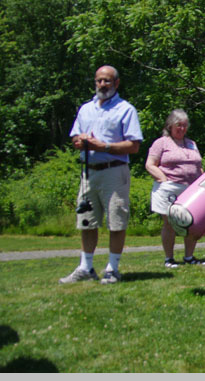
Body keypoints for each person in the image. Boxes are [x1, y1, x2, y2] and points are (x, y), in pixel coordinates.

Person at [60, 65, 142, 285]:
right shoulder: (86, 109)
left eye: (107, 81)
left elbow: (134, 145)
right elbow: (75, 137)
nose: (102, 85)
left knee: (116, 220)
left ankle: (112, 269)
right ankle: (86, 267)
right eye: (99, 81)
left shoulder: (126, 109)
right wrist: (79, 142)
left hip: (114, 171)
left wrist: (103, 146)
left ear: (116, 83)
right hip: (89, 173)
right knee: (87, 220)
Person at [144, 109, 205, 268]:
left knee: (192, 223)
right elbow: (150, 164)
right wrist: (163, 180)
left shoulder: (192, 144)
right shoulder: (161, 143)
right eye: (179, 125)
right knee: (170, 224)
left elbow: (198, 166)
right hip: (169, 188)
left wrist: (204, 182)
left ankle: (189, 257)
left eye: (185, 125)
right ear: (170, 126)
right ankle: (169, 259)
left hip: (191, 189)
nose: (182, 129)